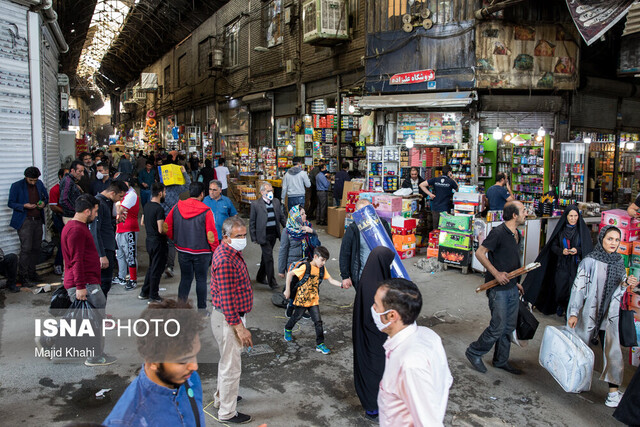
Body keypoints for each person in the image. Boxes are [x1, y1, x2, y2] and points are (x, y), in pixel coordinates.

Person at [567, 225, 638, 407]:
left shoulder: (618, 261)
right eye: (609, 239)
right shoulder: (589, 261)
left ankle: (613, 394)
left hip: (609, 316)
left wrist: (626, 283)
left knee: (613, 352)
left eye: (616, 240)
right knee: (581, 349)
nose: (613, 243)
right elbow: (578, 288)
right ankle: (574, 381)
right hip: (588, 313)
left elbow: (619, 288)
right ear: (601, 239)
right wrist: (574, 313)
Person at [104, 298, 204, 426]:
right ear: (153, 362)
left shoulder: (189, 378)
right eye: (182, 362)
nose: (194, 366)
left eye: (195, 355)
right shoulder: (127, 420)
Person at [373, 278, 453, 426]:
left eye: (376, 305)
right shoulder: (429, 335)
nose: (373, 309)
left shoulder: (409, 364)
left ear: (392, 316)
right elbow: (445, 380)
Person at [466, 201, 525, 375]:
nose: (525, 213)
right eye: (522, 210)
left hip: (513, 286)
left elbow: (511, 259)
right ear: (514, 215)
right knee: (498, 326)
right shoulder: (498, 232)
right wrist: (497, 273)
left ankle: (501, 360)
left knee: (508, 327)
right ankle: (474, 351)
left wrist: (517, 281)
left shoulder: (516, 233)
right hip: (498, 289)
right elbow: (479, 253)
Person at [62, 194, 116, 366]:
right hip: (86, 283)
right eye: (95, 211)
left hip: (85, 281)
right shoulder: (77, 230)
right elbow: (76, 260)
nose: (97, 214)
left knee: (86, 321)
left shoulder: (73, 226)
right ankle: (95, 356)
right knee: (94, 322)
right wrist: (80, 287)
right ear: (87, 211)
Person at [210, 216, 253, 424]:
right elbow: (227, 301)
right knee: (231, 368)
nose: (242, 239)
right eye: (238, 236)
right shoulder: (226, 260)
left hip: (227, 317)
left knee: (226, 362)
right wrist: (240, 329)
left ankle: (222, 398)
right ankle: (227, 413)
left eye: (244, 235)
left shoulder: (229, 251)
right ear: (226, 237)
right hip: (229, 320)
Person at [522, 205, 593, 316]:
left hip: (576, 265)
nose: (573, 219)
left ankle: (569, 311)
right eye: (571, 216)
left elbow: (587, 247)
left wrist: (577, 250)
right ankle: (560, 304)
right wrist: (561, 251)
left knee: (573, 289)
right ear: (566, 216)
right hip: (562, 264)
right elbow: (553, 246)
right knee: (560, 288)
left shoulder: (582, 231)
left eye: (575, 216)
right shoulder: (560, 231)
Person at [353, 247, 395, 420]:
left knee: (367, 367)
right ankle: (373, 409)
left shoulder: (366, 280)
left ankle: (372, 406)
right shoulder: (377, 288)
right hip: (376, 336)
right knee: (376, 370)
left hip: (364, 333)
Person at [283, 246, 347, 354]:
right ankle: (288, 329)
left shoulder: (321, 269)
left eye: (325, 261)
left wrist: (342, 285)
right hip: (302, 300)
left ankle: (320, 344)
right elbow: (290, 274)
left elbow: (331, 280)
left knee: (318, 322)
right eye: (322, 260)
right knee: (296, 317)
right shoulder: (305, 267)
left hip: (313, 301)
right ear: (315, 257)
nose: (323, 263)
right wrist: (287, 290)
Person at [166, 182, 219, 311]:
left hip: (183, 250)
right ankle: (202, 309)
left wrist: (176, 239)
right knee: (201, 280)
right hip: (202, 252)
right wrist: (215, 250)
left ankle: (181, 307)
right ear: (202, 194)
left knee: (185, 279)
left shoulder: (177, 207)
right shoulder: (206, 211)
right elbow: (211, 234)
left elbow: (167, 226)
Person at [8, 166, 49, 286]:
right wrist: (23, 206)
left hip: (37, 219)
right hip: (25, 220)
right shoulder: (17, 186)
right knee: (26, 249)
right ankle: (23, 276)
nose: (33, 182)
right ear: (26, 177)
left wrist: (43, 204)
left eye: (35, 180)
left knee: (36, 248)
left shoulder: (39, 184)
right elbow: (10, 203)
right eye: (31, 180)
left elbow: (45, 198)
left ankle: (32, 273)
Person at [339, 199, 392, 290]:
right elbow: (345, 253)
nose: (365, 214)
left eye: (367, 210)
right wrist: (345, 276)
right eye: (362, 211)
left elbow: (390, 247)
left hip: (381, 273)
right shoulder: (353, 229)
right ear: (357, 213)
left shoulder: (382, 225)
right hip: (361, 275)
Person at [89, 181, 127, 299]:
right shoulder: (99, 204)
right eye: (120, 196)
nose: (119, 200)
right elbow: (95, 230)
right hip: (103, 249)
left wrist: (116, 222)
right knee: (103, 284)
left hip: (108, 247)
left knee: (105, 284)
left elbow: (104, 225)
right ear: (112, 193)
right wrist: (101, 255)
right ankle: (97, 314)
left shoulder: (105, 203)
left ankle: (100, 313)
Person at [249, 181, 286, 289]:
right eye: (268, 191)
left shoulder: (276, 202)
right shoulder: (256, 204)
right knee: (269, 257)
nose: (271, 192)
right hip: (263, 235)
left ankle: (260, 277)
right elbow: (252, 222)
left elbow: (281, 216)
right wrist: (254, 237)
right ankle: (272, 282)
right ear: (262, 192)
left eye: (271, 190)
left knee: (265, 256)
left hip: (273, 234)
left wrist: (288, 227)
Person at [140, 183, 168, 303]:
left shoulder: (146, 206)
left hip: (149, 241)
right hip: (158, 242)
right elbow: (161, 229)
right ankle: (153, 295)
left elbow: (142, 222)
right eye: (165, 192)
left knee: (152, 267)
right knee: (157, 269)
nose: (165, 194)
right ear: (160, 193)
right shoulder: (159, 209)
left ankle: (144, 291)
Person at [161, 166, 191, 278]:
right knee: (171, 244)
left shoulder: (160, 188)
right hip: (173, 219)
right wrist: (184, 173)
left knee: (161, 243)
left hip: (160, 219)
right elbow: (188, 185)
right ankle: (169, 266)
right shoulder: (176, 188)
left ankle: (161, 265)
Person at [113, 175, 140, 291]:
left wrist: (116, 202)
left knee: (130, 255)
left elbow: (119, 210)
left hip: (129, 229)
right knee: (119, 255)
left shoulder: (131, 195)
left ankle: (133, 279)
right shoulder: (124, 195)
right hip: (120, 229)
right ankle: (121, 277)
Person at [278, 205, 316, 278]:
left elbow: (316, 241)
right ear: (296, 216)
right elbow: (283, 251)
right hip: (293, 264)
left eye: (304, 213)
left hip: (306, 262)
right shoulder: (287, 231)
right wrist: (281, 270)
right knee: (293, 286)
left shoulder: (307, 226)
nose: (305, 215)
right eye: (302, 214)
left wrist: (312, 231)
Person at [49, 168, 67, 275]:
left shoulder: (71, 187)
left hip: (68, 216)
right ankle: (58, 264)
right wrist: (65, 212)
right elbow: (53, 207)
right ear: (60, 177)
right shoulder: (55, 189)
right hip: (59, 217)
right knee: (63, 241)